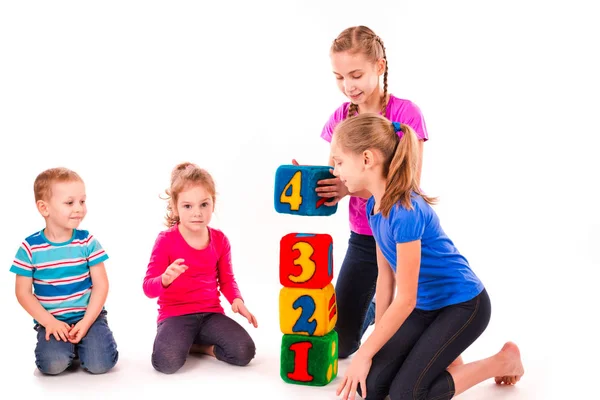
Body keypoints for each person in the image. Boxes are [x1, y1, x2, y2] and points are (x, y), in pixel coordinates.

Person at [329, 113, 524, 399]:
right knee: (371, 388)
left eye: (339, 161)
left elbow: (405, 298)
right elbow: (385, 280)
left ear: (367, 159)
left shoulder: (406, 211)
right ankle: (444, 355)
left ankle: (503, 361)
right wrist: (376, 346)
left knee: (408, 394)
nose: (335, 170)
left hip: (463, 305)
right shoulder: (373, 207)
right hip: (424, 307)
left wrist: (364, 354)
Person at [143, 162, 258, 374]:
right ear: (176, 206)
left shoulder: (220, 240)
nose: (197, 213)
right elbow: (148, 287)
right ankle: (183, 341)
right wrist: (164, 279)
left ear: (213, 204)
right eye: (188, 206)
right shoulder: (166, 240)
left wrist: (237, 300)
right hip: (175, 315)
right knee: (166, 363)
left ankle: (200, 348)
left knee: (244, 352)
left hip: (210, 314)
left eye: (204, 204)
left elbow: (226, 280)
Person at [10, 167, 119, 375]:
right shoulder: (29, 248)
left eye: (82, 201)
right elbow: (23, 293)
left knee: (100, 365)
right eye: (70, 203)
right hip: (52, 320)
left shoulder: (87, 242)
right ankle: (69, 347)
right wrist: (49, 322)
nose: (79, 208)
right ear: (44, 208)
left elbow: (101, 285)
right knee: (52, 366)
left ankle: (87, 340)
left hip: (89, 316)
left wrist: (87, 322)